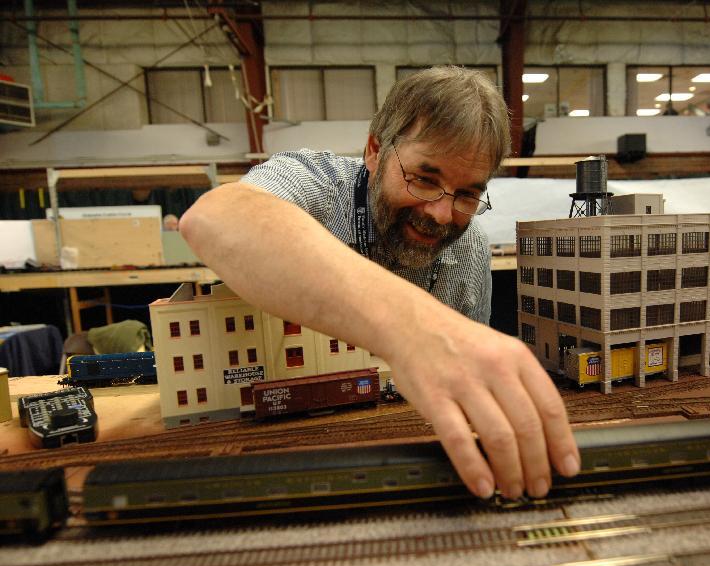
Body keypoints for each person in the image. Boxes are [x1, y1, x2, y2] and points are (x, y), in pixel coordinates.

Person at [179, 66, 580, 500]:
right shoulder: (316, 187)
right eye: (424, 179)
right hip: (279, 458)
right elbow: (213, 218)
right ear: (374, 151)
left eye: (466, 194)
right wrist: (411, 329)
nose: (441, 215)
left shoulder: (469, 250)